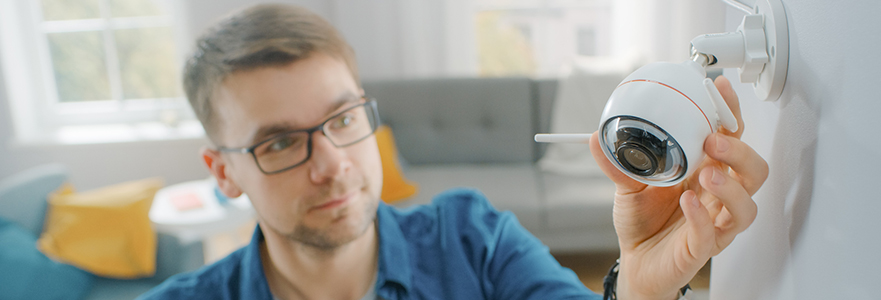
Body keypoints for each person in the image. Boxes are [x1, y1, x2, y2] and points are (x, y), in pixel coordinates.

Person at [139, 4, 768, 300]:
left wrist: (639, 289)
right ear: (224, 172)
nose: (332, 162)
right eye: (279, 141)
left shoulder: (476, 242)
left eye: (343, 118)